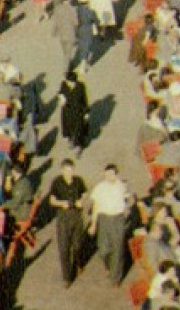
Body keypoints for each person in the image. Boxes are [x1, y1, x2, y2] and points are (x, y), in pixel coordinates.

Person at [89, 164, 135, 286]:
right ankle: (109, 266)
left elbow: (130, 200)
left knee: (118, 248)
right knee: (103, 249)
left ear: (116, 174)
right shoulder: (100, 187)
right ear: (104, 174)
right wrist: (93, 224)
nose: (109, 176)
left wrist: (127, 209)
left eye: (112, 174)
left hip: (118, 219)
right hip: (104, 219)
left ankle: (116, 278)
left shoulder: (122, 186)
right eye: (107, 174)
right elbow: (96, 206)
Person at [47, 158, 88, 287]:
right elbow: (52, 200)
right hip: (63, 216)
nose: (68, 173)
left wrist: (82, 200)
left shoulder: (78, 181)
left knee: (78, 245)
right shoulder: (57, 182)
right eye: (66, 170)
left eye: (70, 170)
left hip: (76, 215)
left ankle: (78, 262)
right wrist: (62, 203)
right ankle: (66, 277)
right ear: (62, 170)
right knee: (64, 247)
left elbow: (85, 193)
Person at [60, 66, 91, 149]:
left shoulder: (81, 87)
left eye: (71, 82)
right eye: (69, 82)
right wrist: (61, 99)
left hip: (78, 112)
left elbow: (84, 100)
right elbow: (61, 95)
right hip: (68, 112)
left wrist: (86, 112)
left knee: (79, 130)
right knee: (69, 129)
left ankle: (79, 146)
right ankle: (71, 140)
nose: (70, 84)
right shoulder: (64, 85)